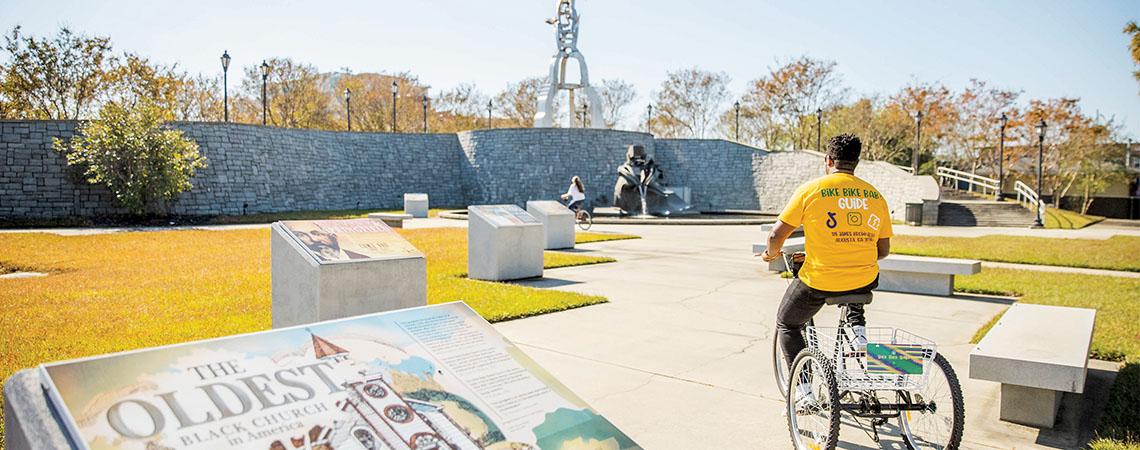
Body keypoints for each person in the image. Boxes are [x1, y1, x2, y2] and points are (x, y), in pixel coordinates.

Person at [759, 133, 892, 405]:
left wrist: (769, 254)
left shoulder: (811, 190)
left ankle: (805, 392)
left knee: (788, 323)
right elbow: (883, 251)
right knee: (857, 280)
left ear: (828, 160)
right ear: (856, 162)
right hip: (863, 279)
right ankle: (858, 332)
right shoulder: (874, 195)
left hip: (820, 279)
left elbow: (775, 236)